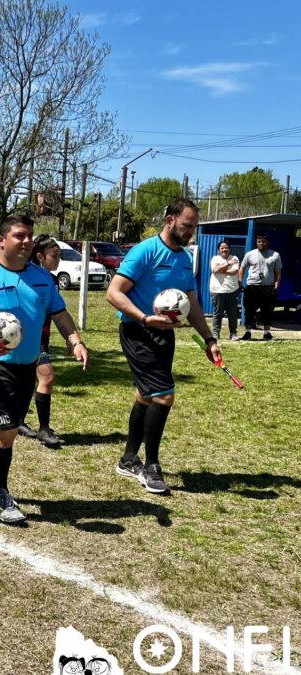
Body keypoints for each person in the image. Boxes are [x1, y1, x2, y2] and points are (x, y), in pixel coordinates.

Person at [0, 215, 89, 524]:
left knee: (4, 428)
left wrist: (75, 340)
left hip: (27, 367)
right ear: (1, 240)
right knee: (8, 428)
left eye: (29, 236)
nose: (26, 241)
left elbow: (60, 313)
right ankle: (0, 492)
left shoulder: (42, 278)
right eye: (19, 236)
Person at [106, 198, 220, 495]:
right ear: (169, 219)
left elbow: (192, 302)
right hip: (137, 331)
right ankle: (150, 466)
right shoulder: (145, 251)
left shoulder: (184, 258)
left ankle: (128, 459)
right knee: (164, 395)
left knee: (146, 396)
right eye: (187, 225)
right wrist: (145, 317)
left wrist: (209, 340)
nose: (190, 232)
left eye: (194, 227)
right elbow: (114, 293)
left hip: (163, 336)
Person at [16, 234, 64, 448]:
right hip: (25, 338)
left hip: (42, 337)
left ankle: (17, 421)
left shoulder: (51, 281)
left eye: (60, 256)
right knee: (47, 376)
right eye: (55, 256)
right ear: (40, 257)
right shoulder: (25, 277)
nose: (58, 260)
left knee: (28, 381)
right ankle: (44, 429)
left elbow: (57, 311)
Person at [239, 233, 282, 341]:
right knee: (249, 310)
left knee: (267, 311)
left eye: (263, 241)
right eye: (259, 241)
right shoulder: (250, 254)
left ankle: (267, 333)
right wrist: (240, 282)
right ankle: (248, 333)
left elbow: (278, 272)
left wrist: (276, 287)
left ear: (268, 242)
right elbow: (242, 268)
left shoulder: (275, 255)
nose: (261, 243)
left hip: (268, 287)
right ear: (256, 242)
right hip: (252, 286)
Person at [209, 241, 241, 341]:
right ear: (219, 249)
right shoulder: (215, 258)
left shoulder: (234, 258)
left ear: (229, 248)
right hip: (217, 290)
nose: (224, 249)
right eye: (222, 248)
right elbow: (215, 270)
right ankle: (216, 333)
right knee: (217, 313)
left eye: (226, 247)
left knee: (232, 313)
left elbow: (234, 272)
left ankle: (233, 333)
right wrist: (228, 264)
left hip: (232, 289)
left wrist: (221, 269)